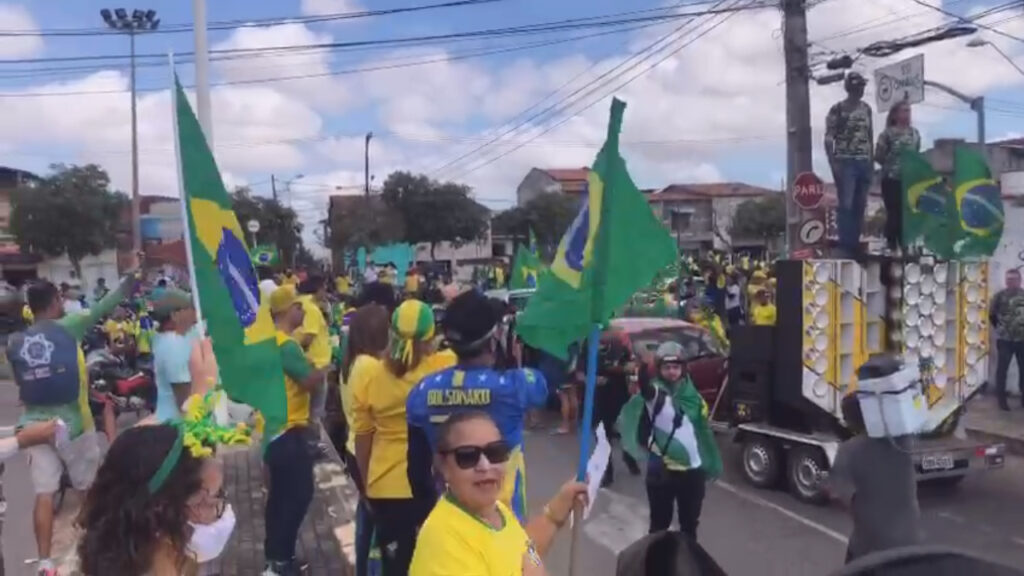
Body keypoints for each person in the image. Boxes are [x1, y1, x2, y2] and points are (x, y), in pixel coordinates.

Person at [6, 271, 137, 576]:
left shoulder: (16, 341)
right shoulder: (69, 327)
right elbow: (106, 305)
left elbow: (18, 380)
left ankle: (44, 563)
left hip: (33, 427)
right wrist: (132, 278)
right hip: (72, 424)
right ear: (54, 302)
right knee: (88, 489)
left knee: (44, 494)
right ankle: (95, 549)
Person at [78, 337, 242, 576]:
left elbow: (188, 458)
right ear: (164, 513)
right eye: (215, 498)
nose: (222, 511)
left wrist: (203, 391)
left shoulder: (145, 551)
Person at [406, 289, 549, 524]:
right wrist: (507, 357)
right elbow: (541, 388)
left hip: (449, 521)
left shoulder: (421, 392)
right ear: (494, 339)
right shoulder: (516, 386)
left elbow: (416, 471)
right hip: (504, 524)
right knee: (527, 558)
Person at [408, 412, 587, 576]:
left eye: (495, 452)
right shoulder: (444, 543)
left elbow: (525, 551)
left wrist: (555, 512)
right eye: (468, 456)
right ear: (444, 467)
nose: (485, 466)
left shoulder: (496, 510)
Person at [352, 300, 456, 575]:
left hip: (385, 487)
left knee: (396, 566)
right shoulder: (443, 369)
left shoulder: (370, 375)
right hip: (434, 485)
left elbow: (363, 440)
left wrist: (365, 486)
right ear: (430, 337)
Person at [618, 341, 722, 539]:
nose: (672, 372)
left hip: (692, 472)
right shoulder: (657, 394)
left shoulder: (695, 398)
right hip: (662, 470)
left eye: (676, 367)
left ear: (683, 369)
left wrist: (712, 461)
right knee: (659, 526)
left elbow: (703, 432)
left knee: (689, 526)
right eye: (667, 368)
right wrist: (642, 364)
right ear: (659, 370)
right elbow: (646, 387)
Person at [262, 285, 326, 575]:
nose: (303, 311)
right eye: (299, 306)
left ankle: (276, 557)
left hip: (272, 430)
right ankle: (281, 561)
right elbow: (309, 381)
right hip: (290, 429)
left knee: (279, 498)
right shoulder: (286, 345)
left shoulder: (267, 342)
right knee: (298, 495)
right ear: (287, 310)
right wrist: (323, 368)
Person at [828, 393, 922, 563]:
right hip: (909, 541)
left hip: (869, 547)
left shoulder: (848, 451)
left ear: (849, 421)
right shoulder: (903, 442)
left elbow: (841, 498)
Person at [340, 304, 390, 576]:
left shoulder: (354, 361)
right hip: (368, 451)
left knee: (366, 518)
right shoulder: (371, 367)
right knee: (378, 524)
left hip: (355, 446)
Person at [575, 338, 642, 487]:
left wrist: (625, 372)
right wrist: (591, 380)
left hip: (619, 396)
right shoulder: (588, 344)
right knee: (603, 435)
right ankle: (608, 473)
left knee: (625, 430)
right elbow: (579, 373)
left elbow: (632, 367)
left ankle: (629, 457)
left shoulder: (619, 345)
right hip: (598, 397)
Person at [825, 72, 874, 258]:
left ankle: (854, 243)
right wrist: (833, 162)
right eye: (858, 86)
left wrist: (870, 161)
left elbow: (869, 136)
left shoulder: (867, 109)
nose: (861, 90)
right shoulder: (838, 109)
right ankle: (846, 245)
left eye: (863, 86)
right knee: (846, 203)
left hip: (863, 162)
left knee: (860, 205)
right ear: (850, 88)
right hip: (845, 162)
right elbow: (829, 137)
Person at [874, 100, 921, 254]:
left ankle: (905, 244)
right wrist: (891, 165)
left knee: (906, 212)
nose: (907, 114)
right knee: (893, 211)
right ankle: (891, 243)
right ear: (895, 114)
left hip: (909, 180)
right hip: (891, 179)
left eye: (909, 111)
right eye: (904, 111)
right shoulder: (887, 134)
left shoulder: (915, 134)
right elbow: (879, 155)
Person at [294, 275, 332, 454]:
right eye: (324, 288)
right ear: (317, 289)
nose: (326, 292)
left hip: (311, 364)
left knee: (309, 409)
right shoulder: (310, 308)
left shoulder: (301, 305)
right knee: (315, 411)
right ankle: (313, 446)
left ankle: (308, 444)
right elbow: (308, 336)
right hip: (315, 365)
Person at [151, 289, 200, 422]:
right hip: (177, 423)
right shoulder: (173, 345)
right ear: (174, 315)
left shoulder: (167, 338)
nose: (194, 312)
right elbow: (184, 398)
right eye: (189, 308)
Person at [989, 268, 1024, 411]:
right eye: (1008, 279)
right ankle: (1002, 401)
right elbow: (992, 315)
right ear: (1005, 281)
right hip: (1005, 341)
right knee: (1002, 370)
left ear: (1019, 280)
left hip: (1022, 340)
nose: (1011, 282)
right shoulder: (998, 297)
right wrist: (1001, 329)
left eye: (1014, 279)